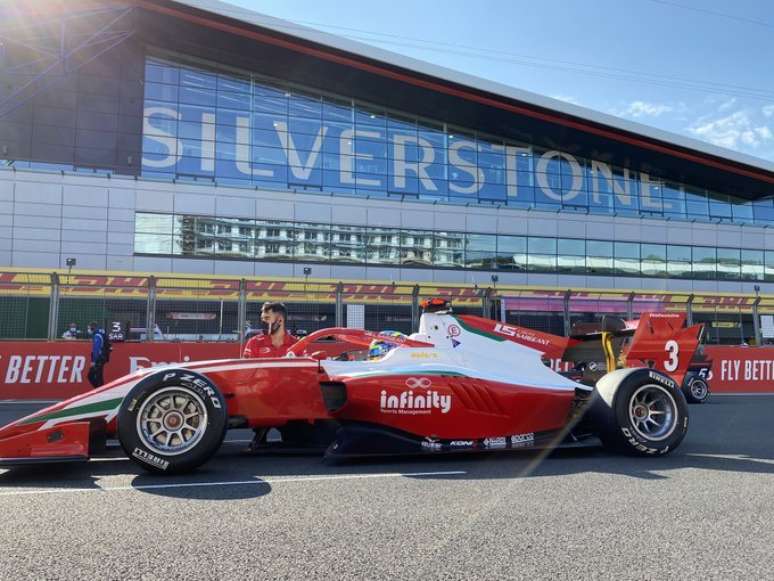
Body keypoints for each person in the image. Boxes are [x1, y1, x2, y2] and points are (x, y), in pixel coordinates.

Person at [86, 322, 110, 389]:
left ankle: (99, 390)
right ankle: (100, 390)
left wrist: (93, 361)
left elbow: (96, 349)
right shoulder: (101, 334)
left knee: (91, 376)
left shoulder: (97, 336)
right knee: (99, 376)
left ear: (92, 328)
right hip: (102, 357)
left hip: (99, 358)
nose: (88, 330)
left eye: (88, 328)